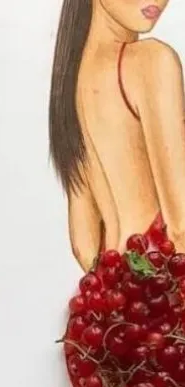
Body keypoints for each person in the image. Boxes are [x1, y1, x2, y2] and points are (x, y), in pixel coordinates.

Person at [49, 0, 185, 270]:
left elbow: (83, 243)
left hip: (114, 293)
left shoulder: (72, 82)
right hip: (166, 292)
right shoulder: (151, 62)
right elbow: (181, 226)